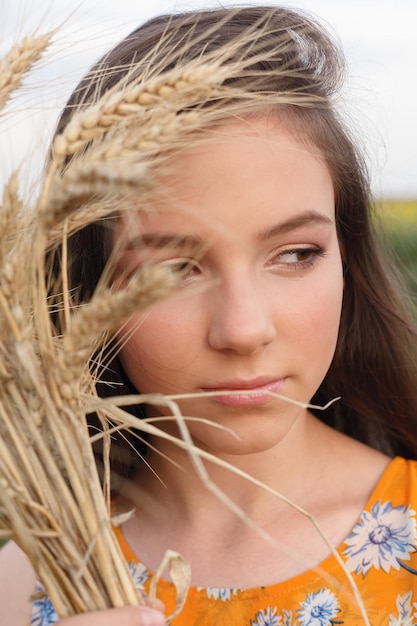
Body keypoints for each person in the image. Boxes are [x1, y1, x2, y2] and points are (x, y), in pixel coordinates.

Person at [1, 5, 417, 626]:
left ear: (347, 260)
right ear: (91, 293)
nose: (245, 330)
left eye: (296, 254)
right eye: (173, 271)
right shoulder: (33, 578)